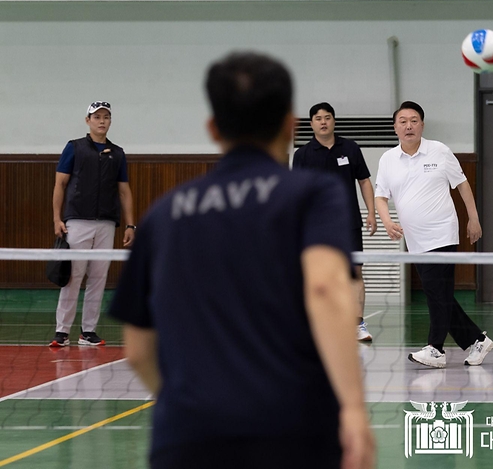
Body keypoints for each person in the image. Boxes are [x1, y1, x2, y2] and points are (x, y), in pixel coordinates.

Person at [109, 52, 374, 469]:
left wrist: (191, 407)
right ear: (290, 125)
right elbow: (325, 289)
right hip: (292, 427)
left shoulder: (164, 212)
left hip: (187, 433)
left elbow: (139, 350)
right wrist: (354, 409)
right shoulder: (310, 195)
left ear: (213, 128)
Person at [374, 100, 493, 369]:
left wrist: (473, 219)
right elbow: (381, 196)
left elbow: (462, 186)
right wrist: (387, 221)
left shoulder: (439, 151)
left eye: (414, 120)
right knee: (439, 293)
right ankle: (477, 340)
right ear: (395, 127)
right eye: (403, 121)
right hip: (415, 241)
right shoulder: (388, 159)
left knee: (436, 292)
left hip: (442, 233)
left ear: (422, 125)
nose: (409, 126)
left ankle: (436, 349)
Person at [50, 100, 136, 347]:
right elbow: (60, 184)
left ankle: (88, 331)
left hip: (107, 223)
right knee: (73, 276)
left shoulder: (118, 153)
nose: (102, 121)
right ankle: (62, 331)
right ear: (88, 120)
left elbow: (124, 191)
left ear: (110, 121)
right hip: (76, 221)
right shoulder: (74, 148)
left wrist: (131, 225)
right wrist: (57, 218)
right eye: (97, 117)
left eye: (106, 117)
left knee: (98, 277)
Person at [293, 102, 377, 342]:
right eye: (318, 118)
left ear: (334, 121)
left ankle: (357, 324)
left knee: (354, 273)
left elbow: (364, 181)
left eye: (327, 117)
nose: (323, 122)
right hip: (315, 225)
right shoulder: (302, 154)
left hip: (348, 222)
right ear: (311, 124)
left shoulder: (350, 148)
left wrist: (371, 213)